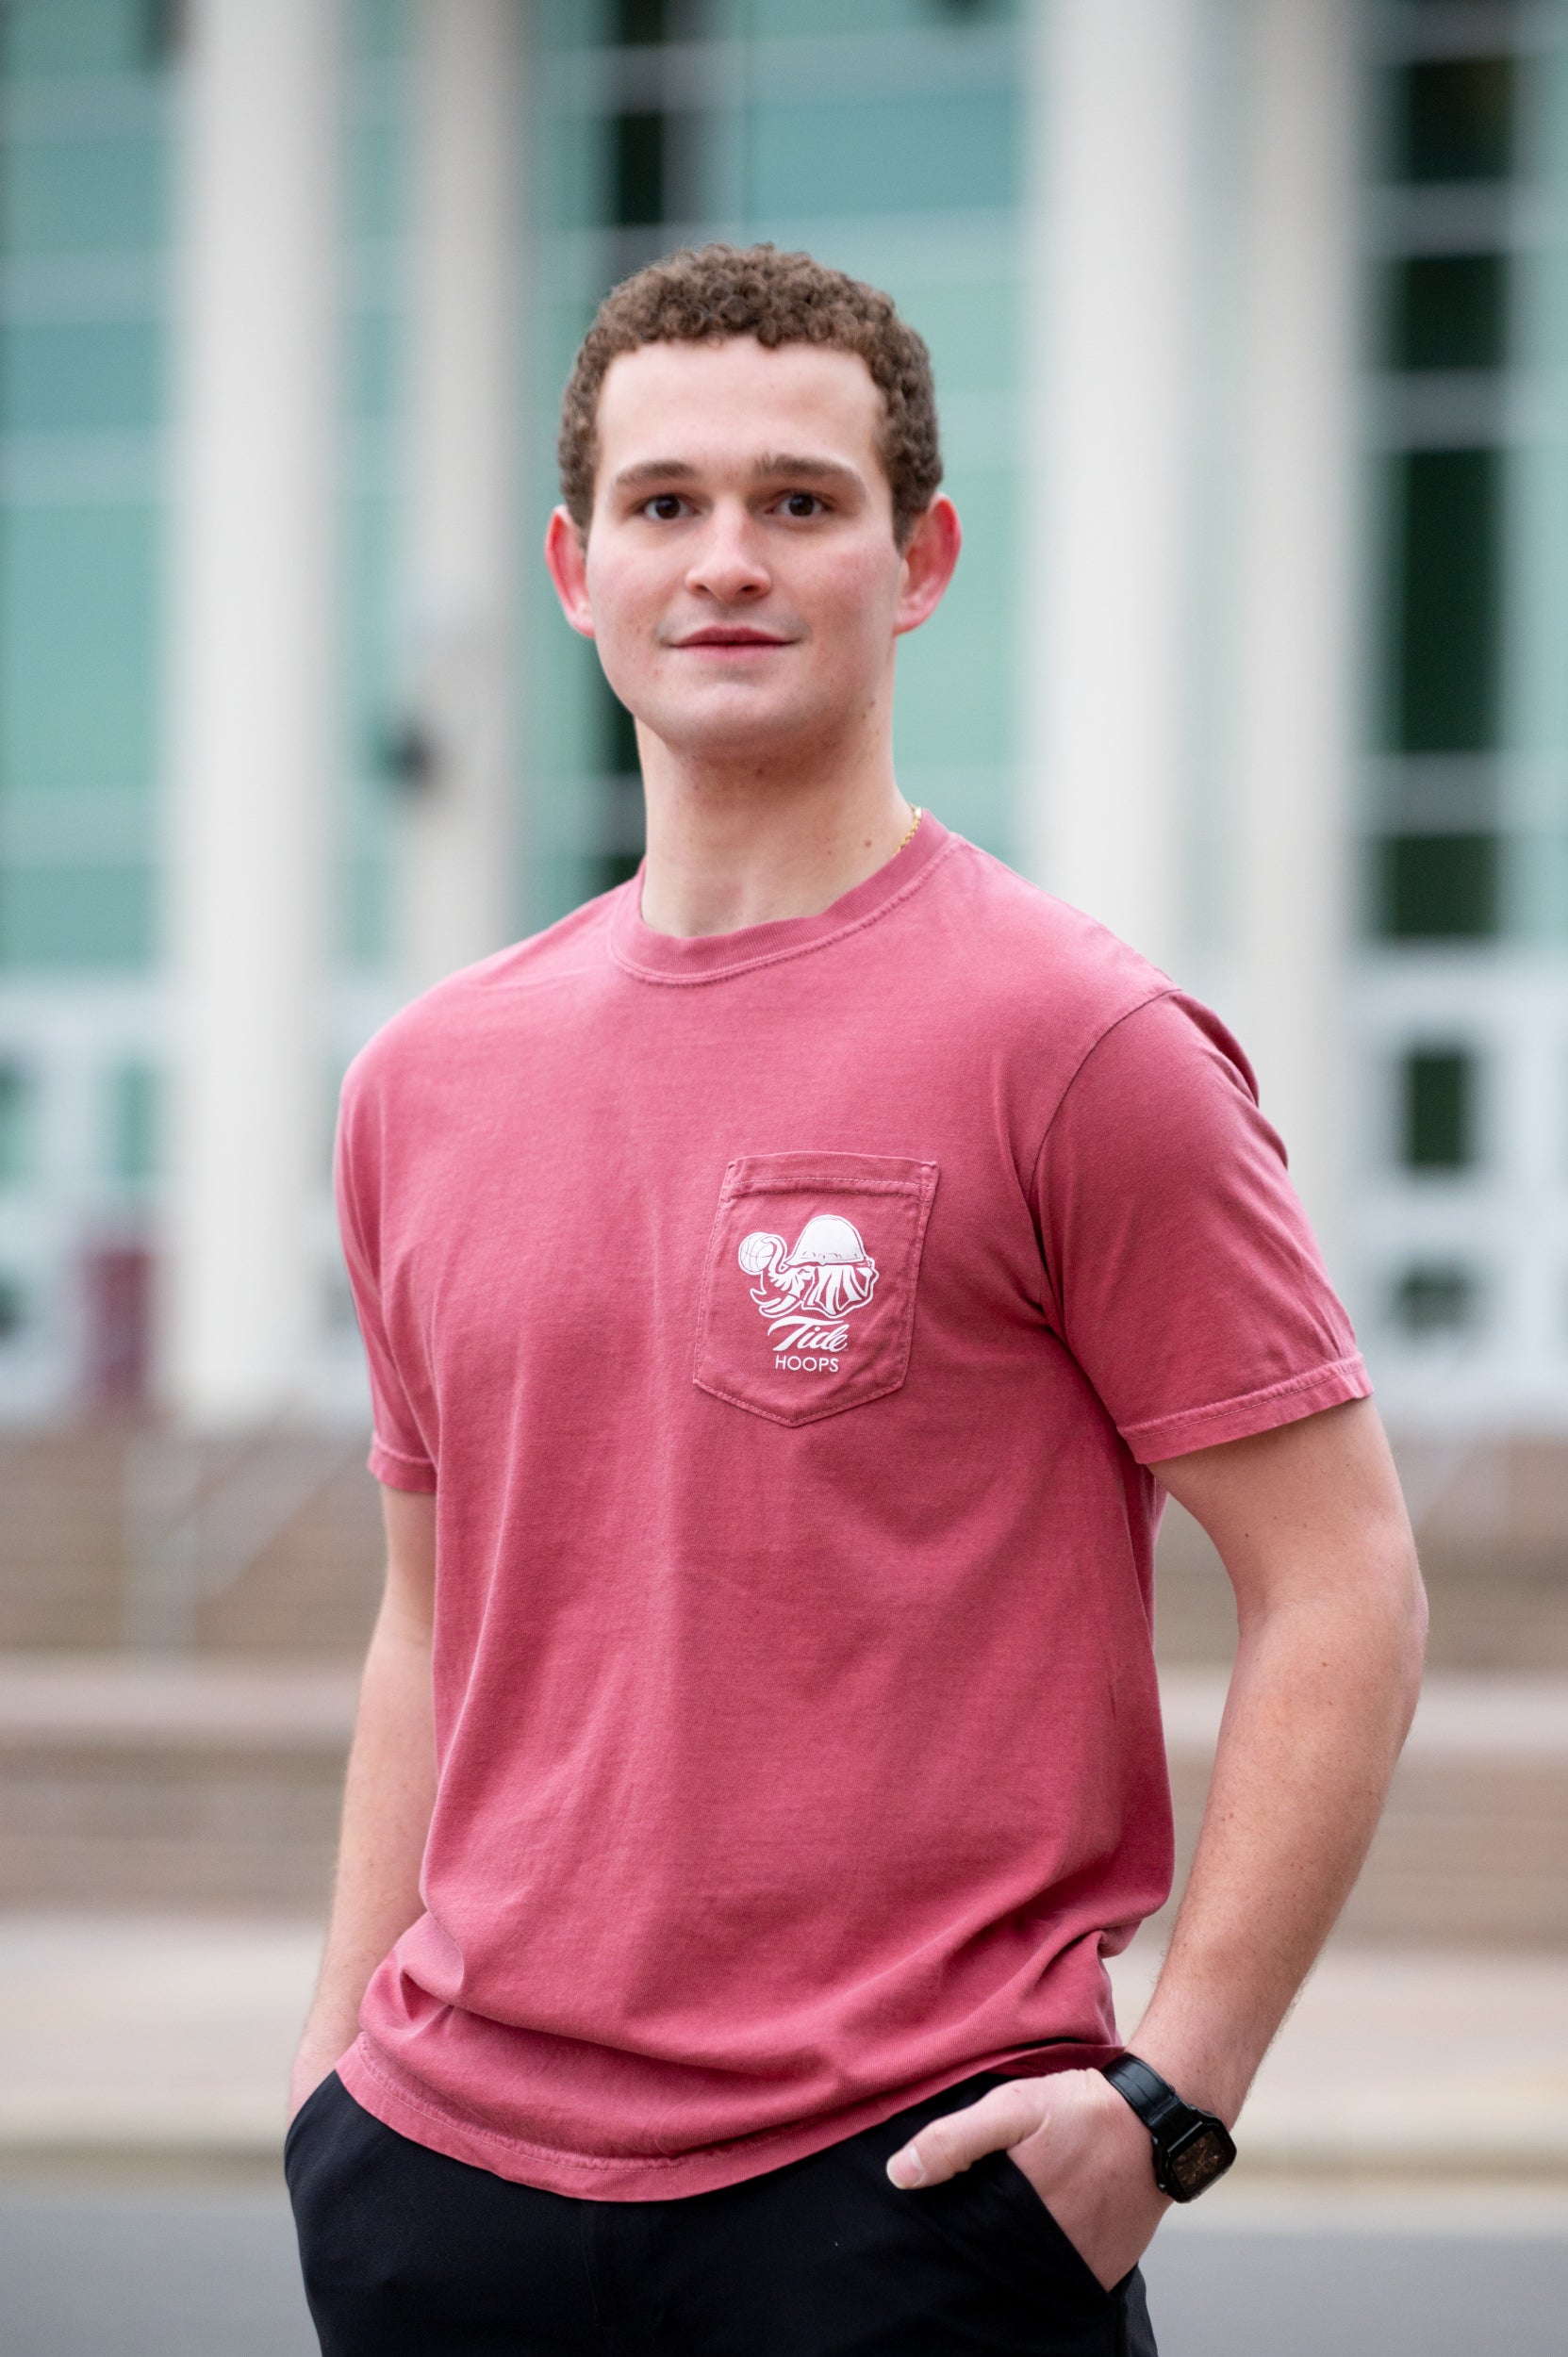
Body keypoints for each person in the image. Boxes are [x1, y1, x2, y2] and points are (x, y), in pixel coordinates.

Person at [286, 243, 1426, 2356]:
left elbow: (1343, 1579)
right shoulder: (423, 1081)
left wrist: (1169, 2099)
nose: (728, 559)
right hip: (441, 2198)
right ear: (573, 564)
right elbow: (428, 1618)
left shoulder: (1075, 1041)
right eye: (667, 502)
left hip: (900, 2201)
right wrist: (331, 2079)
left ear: (920, 560)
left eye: (800, 502)